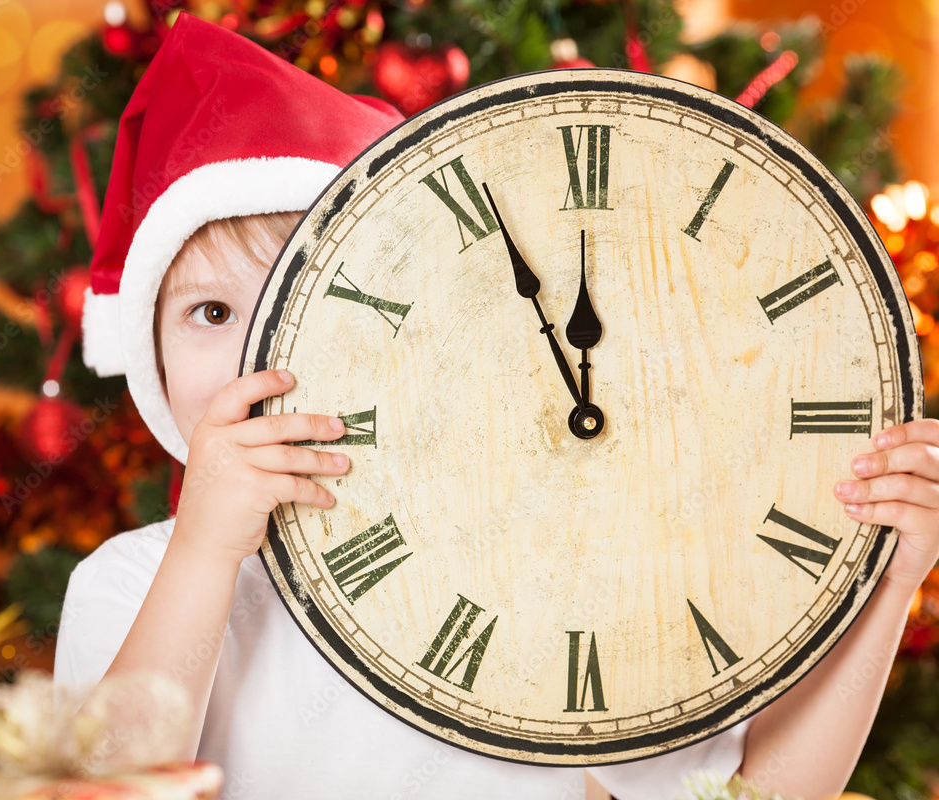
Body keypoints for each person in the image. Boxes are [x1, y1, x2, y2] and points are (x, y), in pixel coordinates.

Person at [54, 12, 939, 800]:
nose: (262, 351)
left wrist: (891, 582)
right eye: (212, 313)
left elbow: (754, 794)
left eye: (307, 303)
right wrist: (209, 551)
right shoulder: (133, 584)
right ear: (149, 357)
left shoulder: (558, 561)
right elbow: (114, 788)